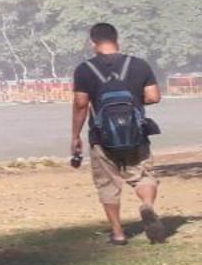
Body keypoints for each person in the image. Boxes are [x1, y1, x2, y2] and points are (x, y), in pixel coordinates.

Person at [71, 23, 168, 245]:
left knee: (108, 185)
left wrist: (75, 137)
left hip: (101, 138)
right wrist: (133, 101)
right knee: (143, 176)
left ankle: (118, 233)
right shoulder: (139, 65)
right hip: (136, 134)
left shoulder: (85, 70)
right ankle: (147, 206)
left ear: (92, 43)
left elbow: (80, 104)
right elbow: (153, 96)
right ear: (117, 39)